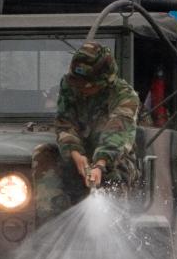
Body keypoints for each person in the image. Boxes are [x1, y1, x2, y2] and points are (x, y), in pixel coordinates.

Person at [31, 42, 140, 222]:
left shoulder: (125, 96)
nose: (82, 89)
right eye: (78, 83)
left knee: (115, 173)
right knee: (43, 155)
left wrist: (99, 164)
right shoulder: (70, 85)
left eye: (87, 85)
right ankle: (53, 223)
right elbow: (65, 123)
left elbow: (117, 134)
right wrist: (76, 155)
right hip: (78, 155)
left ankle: (112, 226)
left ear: (105, 81)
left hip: (112, 160)